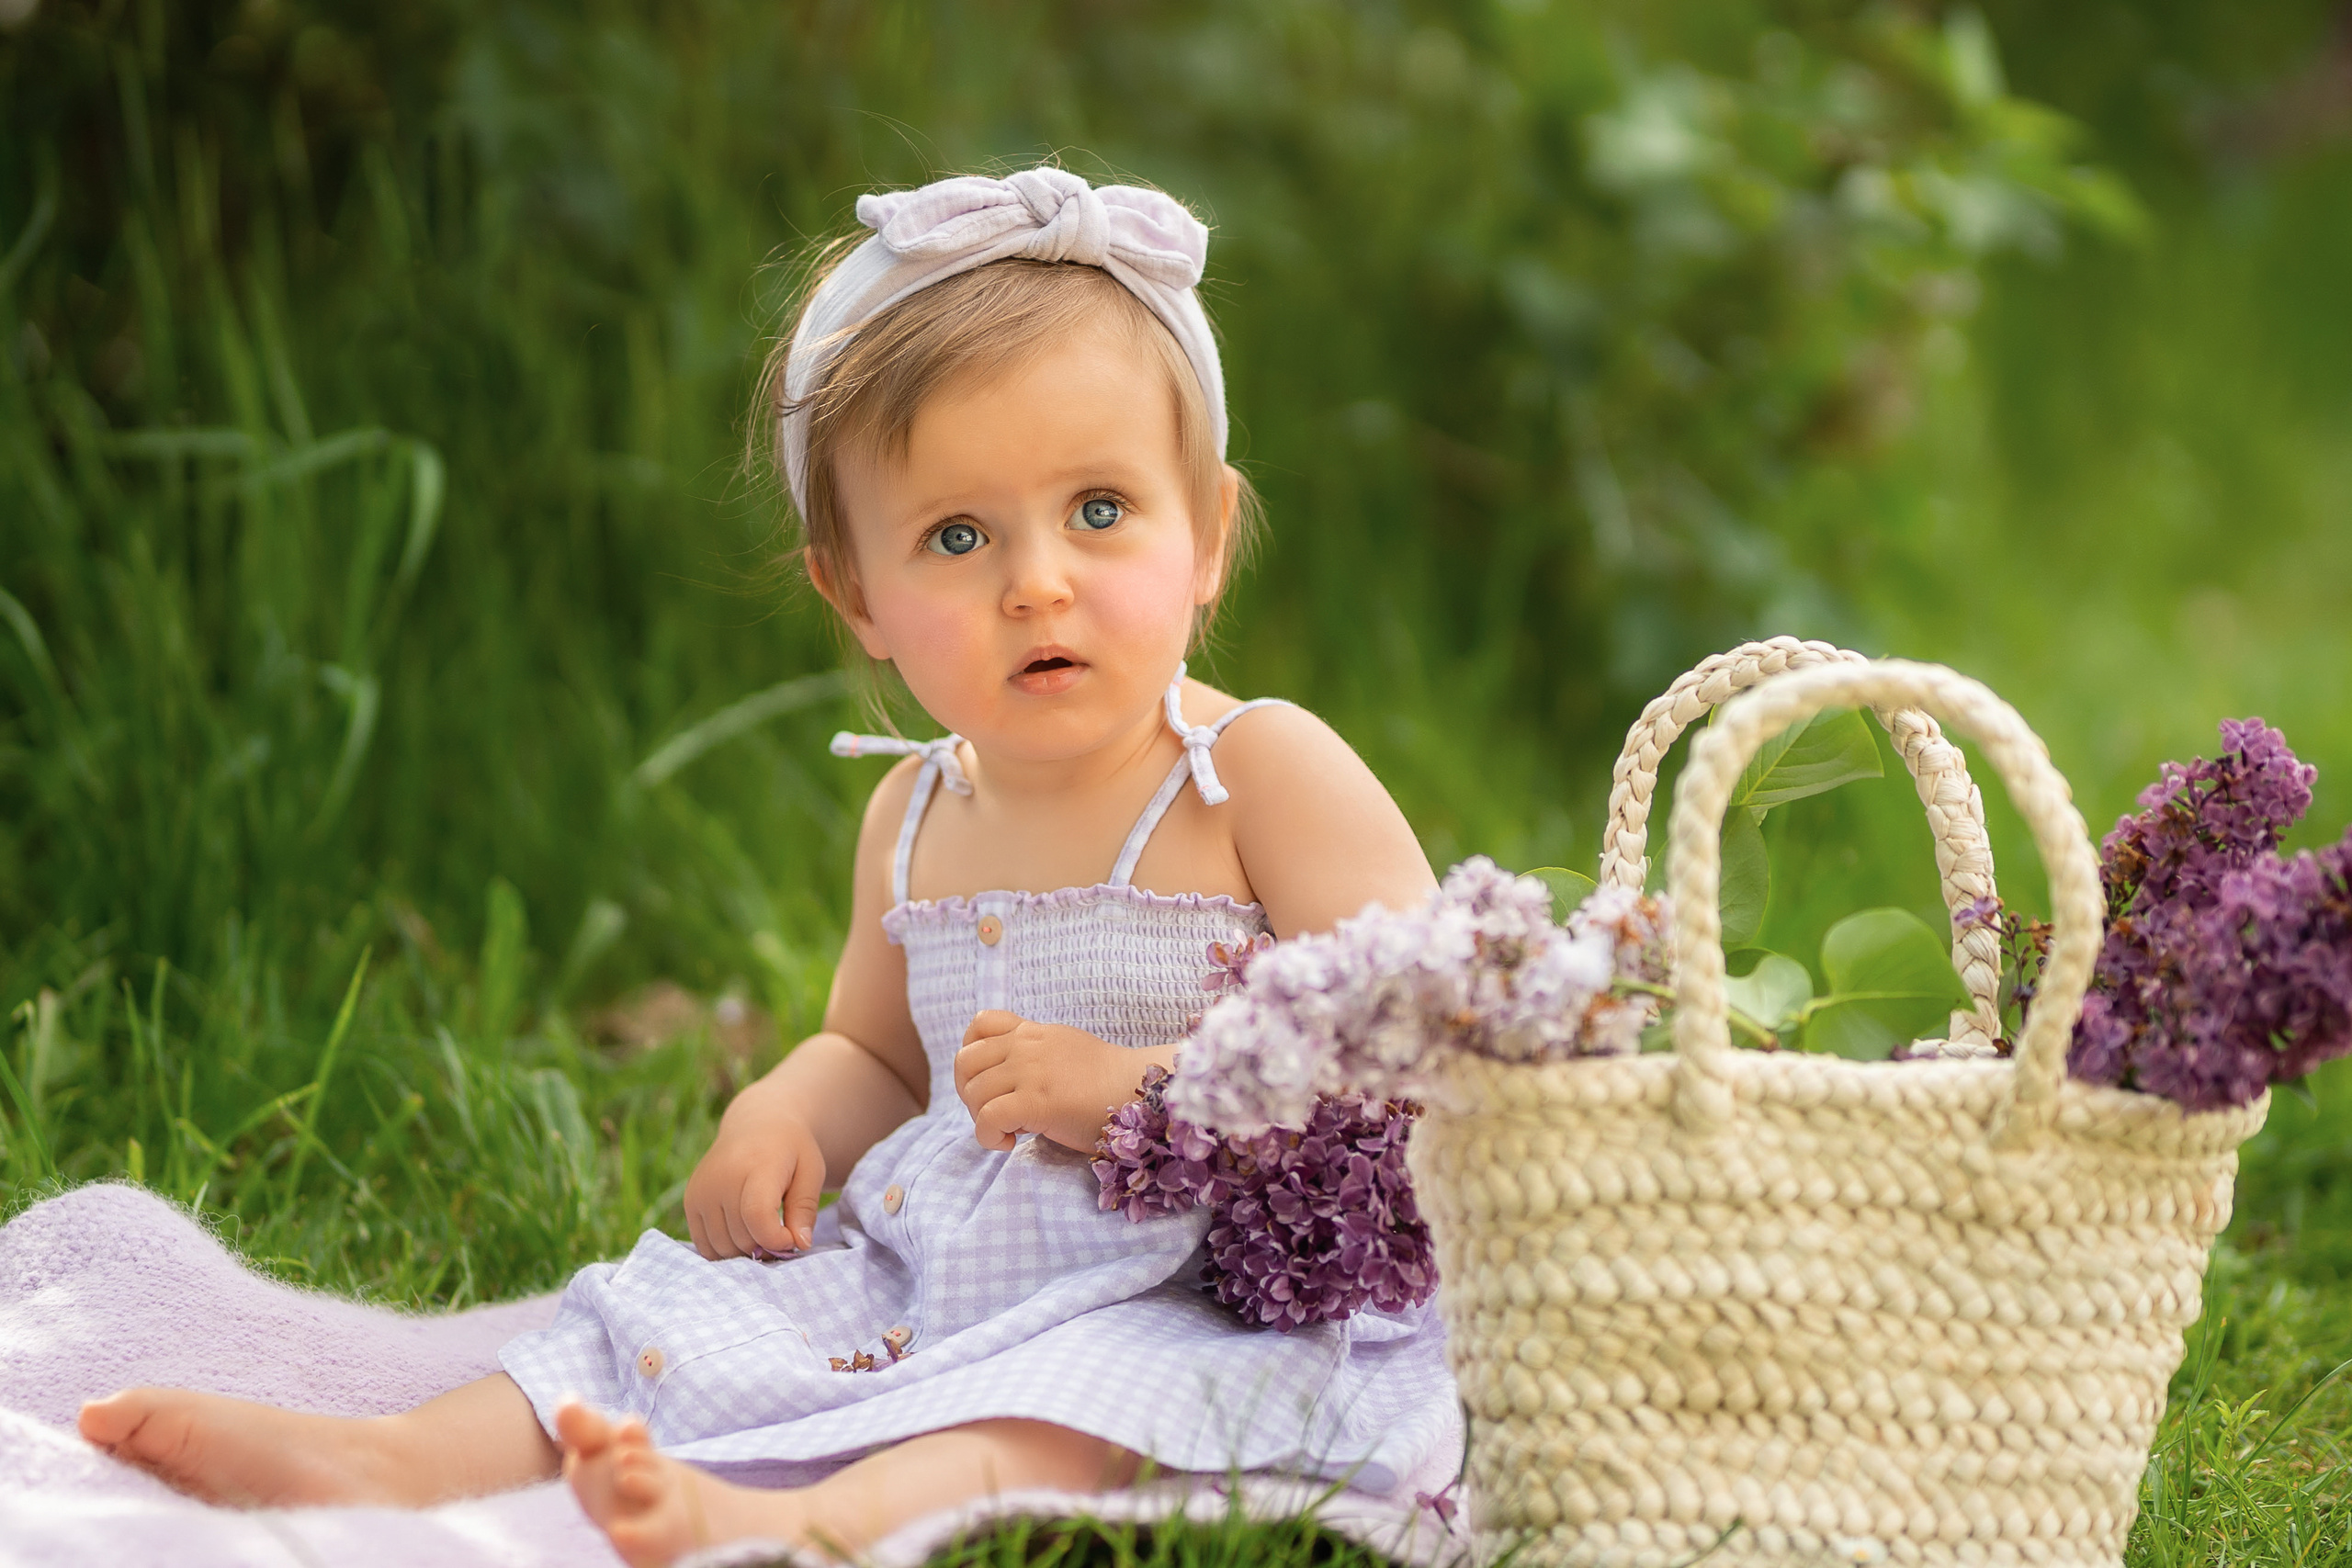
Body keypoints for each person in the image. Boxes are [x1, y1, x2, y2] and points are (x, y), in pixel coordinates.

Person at [74, 165, 1459, 1567]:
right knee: (661, 1314)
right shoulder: (917, 816)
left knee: (1057, 1414)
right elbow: (877, 1055)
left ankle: (812, 1522)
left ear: (1210, 534)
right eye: (958, 537)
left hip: (1196, 1285)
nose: (1036, 580)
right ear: (855, 594)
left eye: (1100, 510)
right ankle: (391, 1457)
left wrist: (1138, 1096)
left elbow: (1425, 1040)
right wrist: (788, 1112)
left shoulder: (1255, 774)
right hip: (953, 1261)